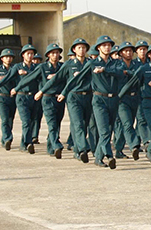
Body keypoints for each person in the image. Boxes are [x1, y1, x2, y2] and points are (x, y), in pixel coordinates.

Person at [62, 36, 122, 169]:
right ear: (99, 48)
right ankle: (109, 155)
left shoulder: (116, 62)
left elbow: (120, 73)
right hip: (98, 100)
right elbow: (75, 81)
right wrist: (64, 92)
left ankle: (98, 158)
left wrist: (105, 70)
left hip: (113, 99)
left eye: (109, 45)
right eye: (104, 45)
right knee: (104, 130)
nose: (107, 47)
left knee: (109, 129)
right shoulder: (92, 64)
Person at [15, 43, 67, 158]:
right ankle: (56, 145)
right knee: (52, 124)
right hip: (47, 98)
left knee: (57, 123)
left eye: (57, 52)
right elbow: (29, 78)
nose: (55, 55)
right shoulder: (42, 67)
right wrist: (17, 88)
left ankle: (50, 147)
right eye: (53, 53)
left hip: (60, 98)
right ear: (48, 55)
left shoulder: (63, 67)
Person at [51, 38, 94, 163]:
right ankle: (82, 149)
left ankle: (76, 149)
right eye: (79, 47)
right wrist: (42, 91)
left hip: (88, 96)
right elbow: (56, 79)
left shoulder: (90, 63)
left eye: (84, 47)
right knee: (78, 123)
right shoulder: (69, 64)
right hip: (73, 97)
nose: (82, 50)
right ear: (74, 50)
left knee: (84, 124)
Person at [9, 44, 43, 154]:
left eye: (32, 54)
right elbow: (8, 78)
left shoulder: (37, 67)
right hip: (22, 96)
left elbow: (38, 77)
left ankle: (26, 142)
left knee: (33, 120)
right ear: (23, 55)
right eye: (28, 53)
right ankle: (27, 143)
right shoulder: (17, 67)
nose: (30, 56)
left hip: (33, 96)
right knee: (26, 121)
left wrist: (26, 73)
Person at [113, 42, 143, 160]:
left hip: (134, 97)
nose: (129, 53)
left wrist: (129, 73)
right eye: (126, 51)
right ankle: (134, 145)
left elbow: (139, 76)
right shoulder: (117, 65)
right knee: (127, 123)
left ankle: (118, 149)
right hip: (121, 98)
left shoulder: (136, 64)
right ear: (121, 53)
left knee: (122, 125)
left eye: (130, 51)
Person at [134, 40, 151, 148]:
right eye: (140, 49)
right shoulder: (134, 63)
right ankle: (146, 141)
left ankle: (137, 140)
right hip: (137, 94)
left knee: (145, 119)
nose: (143, 51)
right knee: (141, 118)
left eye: (144, 49)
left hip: (149, 95)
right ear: (136, 51)